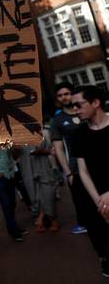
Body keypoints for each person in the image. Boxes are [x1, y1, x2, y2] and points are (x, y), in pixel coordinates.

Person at [71, 85, 109, 277]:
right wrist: (99, 202)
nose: (75, 110)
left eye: (78, 105)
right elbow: (83, 171)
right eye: (73, 106)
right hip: (96, 196)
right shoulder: (79, 135)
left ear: (95, 102)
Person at [50, 81, 90, 234]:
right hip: (74, 165)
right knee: (80, 198)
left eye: (66, 93)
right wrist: (67, 173)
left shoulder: (85, 112)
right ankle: (84, 223)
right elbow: (59, 150)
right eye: (60, 95)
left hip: (94, 159)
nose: (64, 97)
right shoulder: (57, 121)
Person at [19, 127, 59, 232]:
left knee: (48, 192)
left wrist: (40, 151)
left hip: (44, 168)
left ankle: (50, 218)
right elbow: (15, 155)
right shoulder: (17, 135)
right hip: (28, 169)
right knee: (36, 195)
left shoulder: (43, 131)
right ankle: (42, 218)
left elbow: (51, 151)